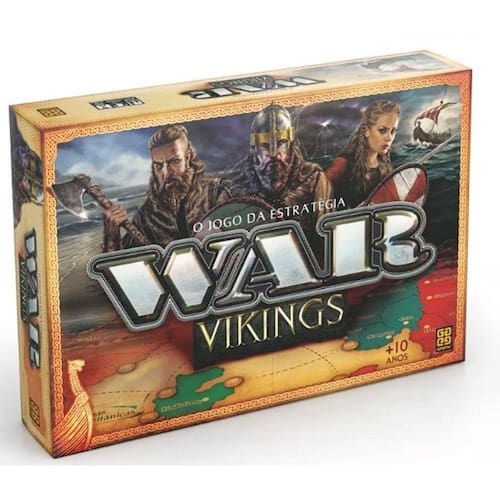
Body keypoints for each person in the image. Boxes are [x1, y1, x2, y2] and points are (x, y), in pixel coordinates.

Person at [103, 124, 231, 251]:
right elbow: (124, 261)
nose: (166, 173)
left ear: (188, 158)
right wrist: (112, 236)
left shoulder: (215, 193)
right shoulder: (147, 215)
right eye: (158, 166)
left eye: (175, 161)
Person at [232, 103, 331, 236]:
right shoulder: (238, 189)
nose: (274, 155)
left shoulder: (313, 180)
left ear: (291, 145)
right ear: (255, 149)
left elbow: (325, 235)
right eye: (265, 145)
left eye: (281, 143)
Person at [325, 100, 400, 208]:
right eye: (382, 130)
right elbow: (318, 194)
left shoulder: (385, 167)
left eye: (393, 131)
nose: (389, 138)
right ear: (366, 131)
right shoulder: (343, 164)